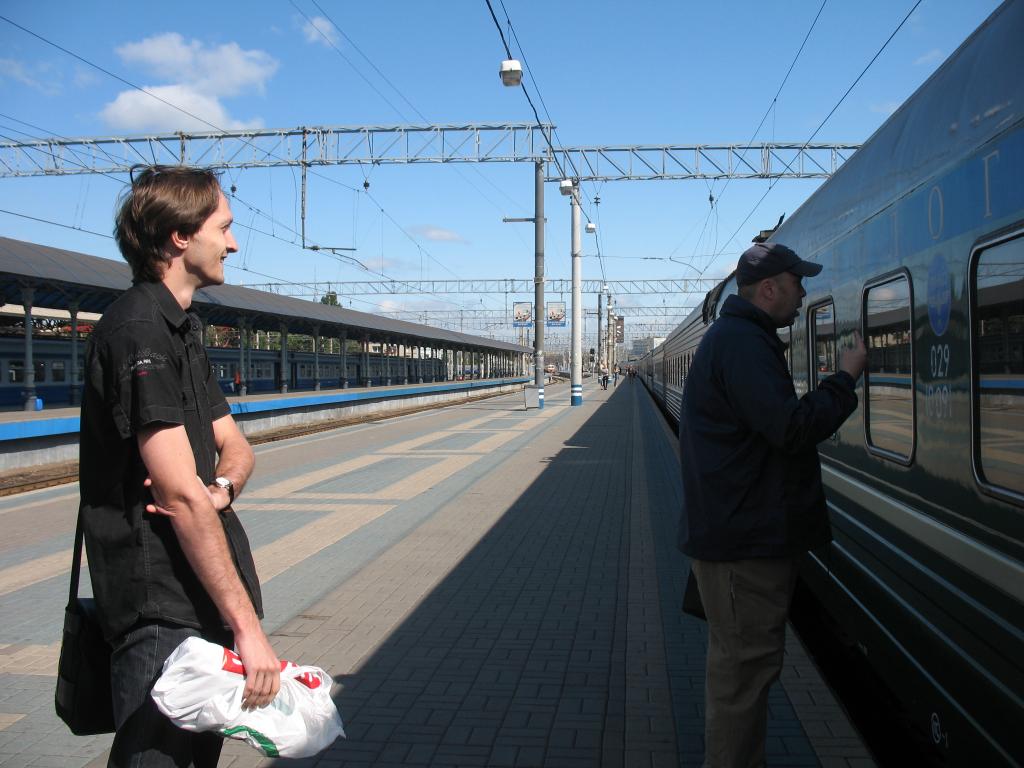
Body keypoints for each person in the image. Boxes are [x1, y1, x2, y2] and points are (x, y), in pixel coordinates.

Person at [79, 165, 281, 767]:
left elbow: (238, 449)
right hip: (159, 610)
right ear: (179, 237)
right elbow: (178, 494)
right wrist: (248, 630)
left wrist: (221, 485)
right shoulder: (139, 331)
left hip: (193, 603)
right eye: (224, 227)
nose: (234, 243)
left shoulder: (182, 331)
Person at [678, 242, 867, 768]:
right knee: (743, 680)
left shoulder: (738, 340)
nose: (803, 293)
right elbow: (790, 428)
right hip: (745, 546)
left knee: (736, 675)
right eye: (796, 282)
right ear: (769, 289)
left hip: (736, 533)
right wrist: (845, 378)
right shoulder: (742, 344)